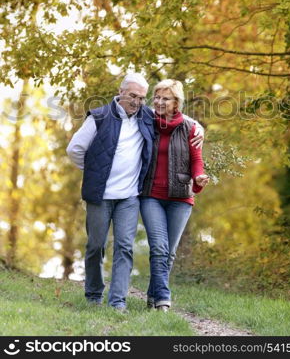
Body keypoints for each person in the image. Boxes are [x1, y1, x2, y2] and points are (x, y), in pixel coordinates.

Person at [66, 73, 203, 311]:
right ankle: (94, 294)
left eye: (141, 97)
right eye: (132, 95)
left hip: (129, 196)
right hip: (100, 195)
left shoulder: (145, 115)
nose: (136, 101)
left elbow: (176, 114)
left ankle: (117, 301)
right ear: (120, 92)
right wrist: (93, 171)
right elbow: (75, 149)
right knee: (96, 246)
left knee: (125, 247)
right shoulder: (99, 116)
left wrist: (198, 127)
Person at [140, 79, 209, 312]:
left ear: (176, 102)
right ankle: (163, 300)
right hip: (151, 194)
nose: (159, 102)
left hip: (180, 196)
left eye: (165, 98)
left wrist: (199, 176)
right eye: (157, 97)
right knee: (159, 247)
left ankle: (152, 296)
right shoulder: (146, 120)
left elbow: (197, 159)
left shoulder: (190, 127)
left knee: (168, 252)